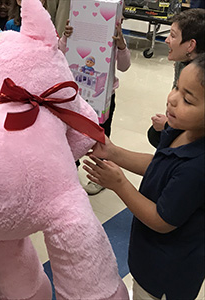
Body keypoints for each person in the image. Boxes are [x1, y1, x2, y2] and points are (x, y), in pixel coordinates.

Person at [83, 54, 205, 300]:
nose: (172, 99)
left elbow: (162, 220)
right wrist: (114, 152)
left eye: (187, 100)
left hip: (167, 272)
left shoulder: (197, 167)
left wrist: (119, 184)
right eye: (176, 88)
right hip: (148, 253)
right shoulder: (181, 130)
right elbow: (160, 164)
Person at [83, 19, 131, 195]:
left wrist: (121, 46)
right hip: (79, 92)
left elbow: (124, 66)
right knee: (72, 132)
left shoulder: (114, 37)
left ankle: (99, 175)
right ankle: (71, 169)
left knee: (102, 135)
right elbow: (64, 51)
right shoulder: (79, 29)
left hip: (105, 95)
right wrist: (67, 37)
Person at [147, 8, 205, 148]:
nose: (166, 40)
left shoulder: (199, 77)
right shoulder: (182, 62)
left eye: (173, 36)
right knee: (154, 134)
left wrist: (168, 125)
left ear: (191, 45)